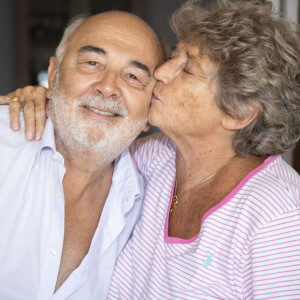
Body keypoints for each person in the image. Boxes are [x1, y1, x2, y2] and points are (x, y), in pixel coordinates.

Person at [3, 0, 300, 299]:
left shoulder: (278, 215)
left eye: (187, 70)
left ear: (238, 112)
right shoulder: (155, 160)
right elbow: (94, 132)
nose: (161, 73)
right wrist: (49, 97)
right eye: (173, 56)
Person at [0, 11, 164, 300]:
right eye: (92, 63)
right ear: (53, 76)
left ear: (152, 108)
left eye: (134, 76)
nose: (109, 87)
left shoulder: (149, 203)